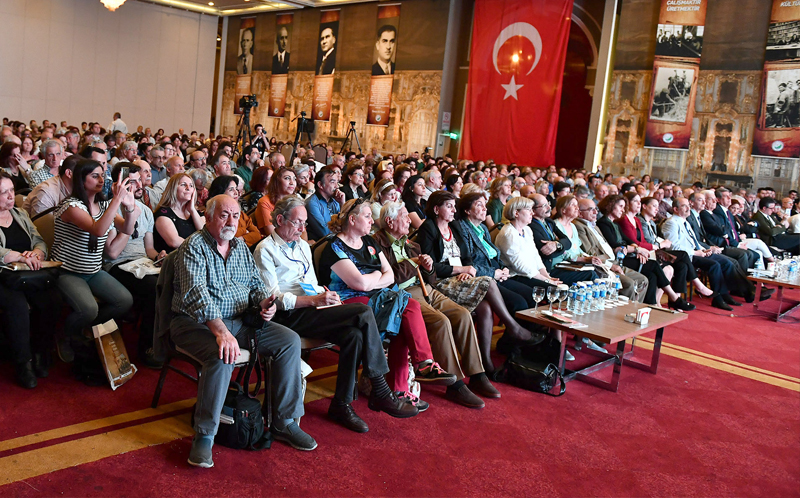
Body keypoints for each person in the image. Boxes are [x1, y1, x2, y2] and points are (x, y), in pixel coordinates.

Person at [168, 195, 315, 469]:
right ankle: (205, 434)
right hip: (194, 323)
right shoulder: (194, 247)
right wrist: (222, 332)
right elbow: (196, 295)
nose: (231, 221)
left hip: (239, 321)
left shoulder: (240, 247)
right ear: (208, 216)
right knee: (224, 353)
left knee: (288, 340)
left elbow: (256, 285)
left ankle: (284, 421)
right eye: (224, 215)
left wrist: (265, 304)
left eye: (235, 216)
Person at [254, 196, 416, 432]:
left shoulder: (301, 245)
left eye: (305, 223)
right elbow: (273, 298)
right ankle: (380, 388)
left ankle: (342, 403)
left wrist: (325, 294)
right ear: (279, 220)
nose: (302, 228)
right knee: (362, 311)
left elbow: (310, 282)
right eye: (297, 222)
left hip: (312, 305)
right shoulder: (265, 249)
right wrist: (313, 299)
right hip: (287, 314)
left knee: (354, 335)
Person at [317, 198, 457, 410]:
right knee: (401, 309)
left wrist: (372, 278)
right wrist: (376, 276)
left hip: (378, 295)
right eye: (367, 216)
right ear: (352, 219)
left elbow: (390, 276)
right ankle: (402, 385)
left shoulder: (370, 242)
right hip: (349, 301)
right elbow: (359, 284)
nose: (372, 221)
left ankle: (414, 374)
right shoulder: (334, 247)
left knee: (408, 308)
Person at [374, 201, 498, 408]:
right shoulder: (377, 244)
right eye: (404, 216)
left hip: (427, 290)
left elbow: (430, 280)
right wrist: (414, 264)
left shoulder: (411, 245)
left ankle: (477, 373)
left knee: (462, 315)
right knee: (441, 322)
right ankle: (455, 385)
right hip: (401, 294)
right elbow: (388, 278)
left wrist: (429, 269)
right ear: (389, 221)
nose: (408, 220)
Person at [51, 159, 137, 365]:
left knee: (124, 300)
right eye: (95, 175)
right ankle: (64, 334)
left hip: (92, 270)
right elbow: (98, 230)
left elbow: (127, 229)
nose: (102, 180)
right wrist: (116, 200)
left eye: (102, 175)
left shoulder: (104, 204)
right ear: (82, 180)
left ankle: (85, 328)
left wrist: (130, 207)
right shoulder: (71, 206)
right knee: (89, 309)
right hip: (66, 271)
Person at [0, 171, 61, 388]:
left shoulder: (20, 214)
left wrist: (36, 253)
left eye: (11, 191)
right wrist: (16, 255)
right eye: (3, 193)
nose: (10, 196)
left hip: (29, 271)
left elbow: (38, 240)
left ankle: (40, 352)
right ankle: (22, 363)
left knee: (51, 299)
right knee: (16, 306)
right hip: (3, 275)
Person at [104, 163, 165, 369]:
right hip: (118, 265)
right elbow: (112, 252)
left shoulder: (146, 210)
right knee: (153, 288)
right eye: (131, 181)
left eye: (139, 179)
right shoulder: (111, 209)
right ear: (118, 185)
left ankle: (165, 340)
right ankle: (147, 346)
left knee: (171, 280)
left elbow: (148, 249)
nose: (138, 185)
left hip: (143, 263)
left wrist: (160, 256)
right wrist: (131, 217)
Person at [596, 195, 694, 310]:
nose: (623, 209)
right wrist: (637, 249)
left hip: (627, 255)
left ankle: (651, 305)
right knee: (654, 265)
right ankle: (673, 297)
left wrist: (637, 249)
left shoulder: (615, 224)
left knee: (652, 275)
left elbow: (630, 241)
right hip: (619, 259)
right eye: (621, 206)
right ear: (610, 206)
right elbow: (615, 245)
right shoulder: (603, 223)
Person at [660, 197, 752, 311]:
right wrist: (696, 252)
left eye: (688, 205)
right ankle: (718, 298)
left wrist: (705, 249)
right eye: (684, 206)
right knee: (714, 265)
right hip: (686, 256)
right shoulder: (671, 223)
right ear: (675, 209)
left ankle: (727, 294)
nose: (688, 208)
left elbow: (694, 241)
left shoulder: (685, 221)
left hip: (697, 252)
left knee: (727, 262)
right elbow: (673, 246)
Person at [617, 192, 705, 305]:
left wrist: (645, 249)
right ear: (627, 203)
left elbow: (642, 241)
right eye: (636, 201)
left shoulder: (638, 220)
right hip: (634, 255)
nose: (639, 204)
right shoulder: (626, 220)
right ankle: (678, 295)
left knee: (681, 265)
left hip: (645, 252)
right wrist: (654, 246)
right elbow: (635, 242)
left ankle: (665, 302)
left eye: (640, 201)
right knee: (680, 256)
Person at [637, 196, 714, 299]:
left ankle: (677, 300)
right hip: (654, 254)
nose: (657, 209)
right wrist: (695, 252)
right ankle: (698, 285)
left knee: (683, 265)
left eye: (688, 206)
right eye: (654, 206)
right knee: (685, 256)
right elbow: (667, 245)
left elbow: (692, 240)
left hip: (663, 253)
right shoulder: (668, 222)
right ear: (644, 206)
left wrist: (702, 249)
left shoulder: (651, 222)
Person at [573, 198, 649, 301]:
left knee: (643, 280)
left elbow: (605, 246)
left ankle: (635, 309)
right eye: (591, 209)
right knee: (628, 284)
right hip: (602, 266)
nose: (595, 212)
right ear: (580, 213)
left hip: (615, 261)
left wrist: (615, 251)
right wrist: (611, 266)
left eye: (595, 209)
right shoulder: (579, 226)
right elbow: (590, 252)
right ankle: (625, 312)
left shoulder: (594, 226)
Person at [153, 173, 205, 254]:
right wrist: (201, 249)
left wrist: (192, 210)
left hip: (196, 256)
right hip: (174, 258)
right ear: (173, 189)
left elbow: (205, 235)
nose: (188, 188)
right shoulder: (163, 213)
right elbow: (174, 242)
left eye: (191, 186)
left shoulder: (195, 213)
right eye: (183, 185)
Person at [208, 176, 262, 247]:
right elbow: (226, 235)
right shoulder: (215, 214)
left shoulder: (241, 214)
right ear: (221, 192)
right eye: (231, 189)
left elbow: (257, 235)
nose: (236, 192)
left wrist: (242, 238)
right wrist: (244, 230)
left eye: (236, 189)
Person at [256, 166, 296, 237]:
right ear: (277, 182)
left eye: (294, 179)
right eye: (287, 178)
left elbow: (302, 230)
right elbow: (272, 234)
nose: (292, 183)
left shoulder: (295, 202)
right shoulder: (264, 202)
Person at [306, 167, 344, 241]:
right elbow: (325, 233)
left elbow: (345, 226)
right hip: (321, 245)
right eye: (332, 182)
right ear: (320, 185)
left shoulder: (335, 200)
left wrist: (342, 203)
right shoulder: (312, 203)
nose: (337, 186)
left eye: (337, 182)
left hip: (336, 241)